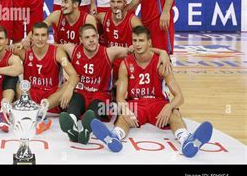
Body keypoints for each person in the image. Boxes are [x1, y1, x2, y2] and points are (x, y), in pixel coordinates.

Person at [91, 26, 213, 158]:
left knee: (174, 113)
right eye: (135, 40)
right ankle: (114, 137)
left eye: (141, 40)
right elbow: (120, 98)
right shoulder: (125, 64)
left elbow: (180, 97)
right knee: (123, 115)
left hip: (158, 103)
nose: (137, 44)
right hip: (136, 104)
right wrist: (125, 108)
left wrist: (169, 106)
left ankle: (187, 140)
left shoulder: (161, 63)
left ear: (149, 42)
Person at [58, 24, 171, 144]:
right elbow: (54, 47)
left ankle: (87, 129)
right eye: (87, 37)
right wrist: (64, 65)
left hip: (101, 95)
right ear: (81, 40)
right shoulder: (73, 50)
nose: (91, 40)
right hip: (81, 92)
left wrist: (162, 52)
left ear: (97, 37)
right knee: (74, 102)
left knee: (93, 111)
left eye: (93, 36)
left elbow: (138, 49)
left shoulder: (109, 52)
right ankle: (72, 126)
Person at [12, 22, 79, 133]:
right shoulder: (24, 51)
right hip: (31, 95)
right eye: (37, 35)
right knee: (17, 83)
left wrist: (70, 89)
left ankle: (37, 113)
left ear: (48, 37)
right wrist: (19, 43)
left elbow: (74, 75)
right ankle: (38, 115)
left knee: (68, 83)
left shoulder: (57, 52)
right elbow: (3, 48)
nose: (40, 39)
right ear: (31, 37)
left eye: (43, 35)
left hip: (51, 98)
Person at [22, 0, 97, 45]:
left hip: (80, 58)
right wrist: (27, 39)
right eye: (62, 1)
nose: (62, 5)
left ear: (75, 4)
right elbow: (39, 28)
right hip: (59, 56)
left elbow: (93, 44)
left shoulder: (88, 19)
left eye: (66, 2)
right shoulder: (57, 15)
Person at [96, 0, 142, 80]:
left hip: (127, 60)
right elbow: (90, 20)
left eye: (119, 2)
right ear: (109, 3)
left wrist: (135, 45)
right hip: (110, 61)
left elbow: (144, 38)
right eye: (113, 2)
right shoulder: (103, 17)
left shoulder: (133, 20)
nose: (115, 5)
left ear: (125, 3)